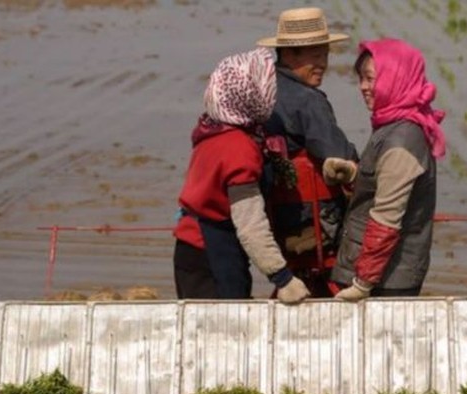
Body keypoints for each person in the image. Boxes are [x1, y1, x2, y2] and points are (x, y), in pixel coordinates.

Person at [172, 47, 310, 304]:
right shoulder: (239, 149)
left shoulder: (211, 130)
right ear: (252, 93)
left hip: (190, 248)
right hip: (212, 254)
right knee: (223, 333)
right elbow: (250, 224)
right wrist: (283, 278)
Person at [329, 38, 446, 301]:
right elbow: (384, 183)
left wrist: (362, 283)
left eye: (370, 79)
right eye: (361, 78)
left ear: (395, 78)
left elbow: (386, 218)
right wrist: (353, 175)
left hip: (388, 280)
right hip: (379, 271)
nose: (363, 87)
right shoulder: (391, 124)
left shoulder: (403, 140)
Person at [257, 7, 360, 296]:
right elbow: (338, 153)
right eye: (315, 56)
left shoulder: (263, 92)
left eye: (325, 55)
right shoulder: (308, 101)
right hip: (312, 224)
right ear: (290, 55)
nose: (323, 64)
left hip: (275, 218)